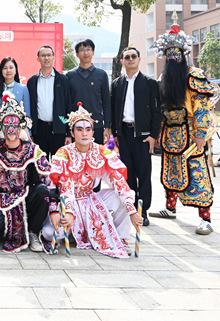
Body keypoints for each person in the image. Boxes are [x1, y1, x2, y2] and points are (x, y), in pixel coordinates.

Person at [45, 103, 143, 258]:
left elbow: (119, 182)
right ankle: (75, 232)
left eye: (88, 129)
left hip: (91, 199)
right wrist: (68, 213)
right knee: (48, 233)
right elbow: (65, 188)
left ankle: (121, 237)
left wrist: (132, 211)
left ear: (93, 132)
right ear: (72, 132)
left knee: (124, 195)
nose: (84, 133)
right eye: (79, 129)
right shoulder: (64, 153)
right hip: (69, 202)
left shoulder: (101, 151)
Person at [0, 92, 59, 256]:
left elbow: (48, 179)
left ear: (21, 126)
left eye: (15, 125)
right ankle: (4, 229)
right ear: (0, 127)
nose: (11, 129)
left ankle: (33, 231)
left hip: (26, 197)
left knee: (42, 191)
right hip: (1, 199)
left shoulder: (33, 150)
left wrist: (53, 209)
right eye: (6, 125)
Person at [149, 19, 215, 235]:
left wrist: (201, 134)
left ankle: (205, 218)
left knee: (197, 172)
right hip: (170, 133)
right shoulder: (164, 78)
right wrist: (159, 132)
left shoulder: (194, 75)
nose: (172, 57)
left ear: (183, 54)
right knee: (170, 171)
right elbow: (161, 108)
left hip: (191, 132)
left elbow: (201, 107)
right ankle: (170, 208)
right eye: (169, 53)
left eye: (176, 52)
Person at [111, 47, 162, 227]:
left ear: (139, 59)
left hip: (143, 135)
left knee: (144, 174)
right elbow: (113, 110)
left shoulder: (150, 83)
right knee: (128, 174)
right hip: (124, 134)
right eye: (127, 57)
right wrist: (115, 133)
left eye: (134, 56)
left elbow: (157, 111)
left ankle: (143, 210)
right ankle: (131, 209)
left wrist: (153, 135)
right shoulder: (117, 84)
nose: (130, 59)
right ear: (122, 61)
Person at [27, 45, 72, 159]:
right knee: (41, 164)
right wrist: (31, 133)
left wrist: (68, 133)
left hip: (59, 129)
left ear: (53, 58)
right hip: (39, 130)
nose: (46, 58)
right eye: (43, 55)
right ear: (38, 58)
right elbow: (30, 107)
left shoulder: (63, 80)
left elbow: (68, 106)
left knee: (59, 163)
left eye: (49, 55)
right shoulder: (32, 81)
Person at [66, 39, 111, 144]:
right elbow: (67, 104)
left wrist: (107, 127)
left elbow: (106, 102)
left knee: (96, 154)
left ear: (93, 52)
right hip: (76, 127)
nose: (85, 52)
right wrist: (67, 132)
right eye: (82, 50)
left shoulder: (101, 75)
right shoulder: (69, 76)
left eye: (88, 49)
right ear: (77, 54)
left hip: (97, 126)